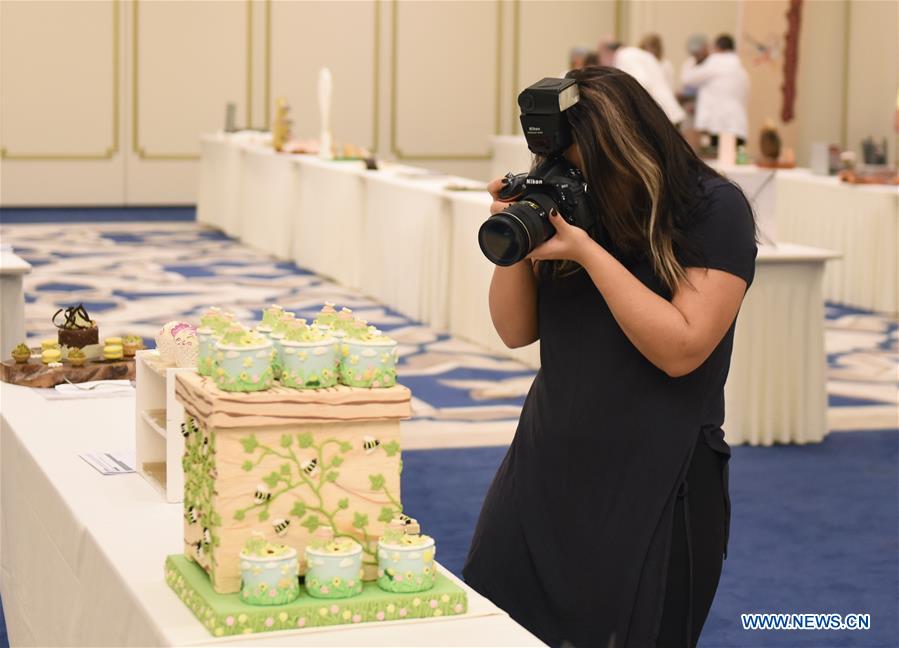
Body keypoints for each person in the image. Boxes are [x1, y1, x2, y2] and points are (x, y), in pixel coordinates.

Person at [463, 66, 757, 647]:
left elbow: (682, 349)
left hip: (658, 474)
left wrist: (588, 253)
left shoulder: (712, 208)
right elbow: (515, 331)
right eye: (560, 165)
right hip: (546, 461)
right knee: (501, 626)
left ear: (628, 150)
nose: (574, 179)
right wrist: (515, 231)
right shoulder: (569, 197)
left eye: (584, 167)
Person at [680, 33, 750, 144]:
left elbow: (687, 78)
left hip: (719, 126)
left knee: (717, 155)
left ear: (716, 48)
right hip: (738, 127)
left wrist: (694, 57)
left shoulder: (716, 61)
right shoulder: (741, 70)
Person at [598, 37, 685, 124]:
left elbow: (640, 83)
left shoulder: (623, 56)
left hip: (661, 116)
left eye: (600, 56)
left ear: (606, 51)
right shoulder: (637, 54)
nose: (601, 63)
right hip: (669, 112)